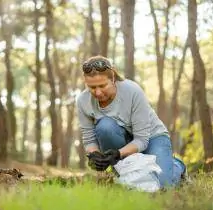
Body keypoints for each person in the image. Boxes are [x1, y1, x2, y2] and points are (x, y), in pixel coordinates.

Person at [76, 55, 187, 188]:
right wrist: (94, 154)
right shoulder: (83, 101)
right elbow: (89, 139)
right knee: (105, 126)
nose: (98, 93)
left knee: (162, 185)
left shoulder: (132, 91)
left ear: (113, 79)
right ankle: (124, 171)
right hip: (121, 139)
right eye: (92, 87)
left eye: (102, 85)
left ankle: (177, 166)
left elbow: (141, 140)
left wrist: (117, 154)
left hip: (152, 137)